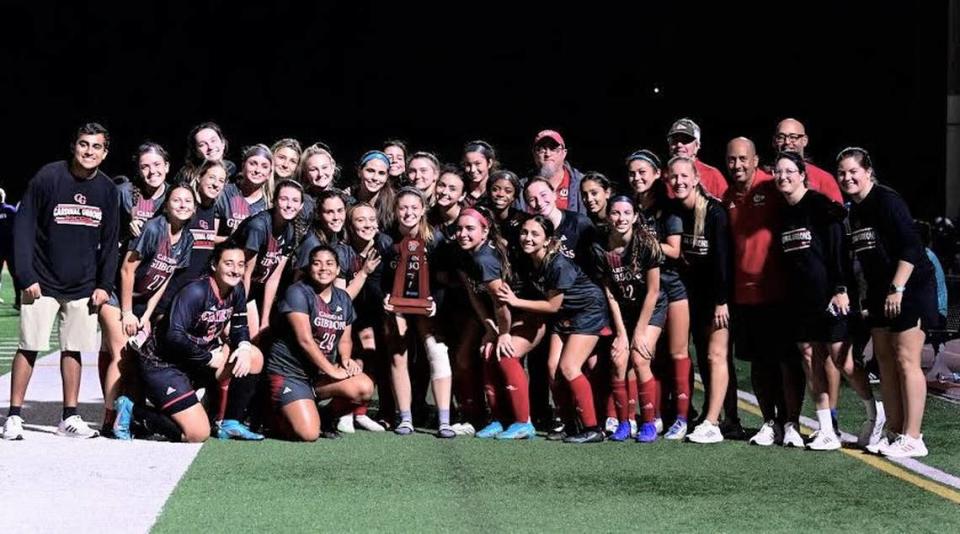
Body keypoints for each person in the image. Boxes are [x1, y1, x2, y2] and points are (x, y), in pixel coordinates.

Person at [3, 123, 119, 440]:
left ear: (105, 152)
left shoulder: (108, 190)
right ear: (74, 146)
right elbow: (23, 227)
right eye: (84, 144)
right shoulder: (48, 177)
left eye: (96, 147)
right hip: (42, 281)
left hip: (83, 285)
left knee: (74, 349)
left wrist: (103, 285)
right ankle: (14, 416)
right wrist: (25, 274)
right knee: (29, 346)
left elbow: (110, 242)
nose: (89, 151)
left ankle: (69, 416)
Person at [111, 242, 265, 442]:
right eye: (228, 263)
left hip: (194, 360)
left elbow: (239, 326)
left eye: (240, 265)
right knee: (196, 434)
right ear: (214, 265)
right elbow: (173, 336)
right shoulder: (195, 291)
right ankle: (135, 410)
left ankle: (230, 422)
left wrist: (243, 346)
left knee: (253, 355)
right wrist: (209, 358)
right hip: (164, 363)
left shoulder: (237, 290)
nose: (235, 270)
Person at [840, 147, 938, 458]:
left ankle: (914, 436)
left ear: (867, 170)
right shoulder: (854, 211)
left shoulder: (886, 200)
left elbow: (910, 247)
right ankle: (895, 431)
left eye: (853, 171)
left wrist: (898, 288)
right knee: (884, 361)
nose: (847, 177)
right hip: (881, 293)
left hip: (911, 287)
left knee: (906, 359)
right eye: (842, 173)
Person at [498, 216, 610, 443]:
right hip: (565, 314)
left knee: (569, 367)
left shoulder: (558, 264)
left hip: (587, 310)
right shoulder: (529, 259)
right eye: (524, 232)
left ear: (547, 240)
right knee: (552, 368)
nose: (527, 238)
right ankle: (569, 424)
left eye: (535, 234)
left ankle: (593, 428)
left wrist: (515, 301)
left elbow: (552, 305)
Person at [722, 138, 803, 447]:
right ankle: (769, 421)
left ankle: (792, 422)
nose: (738, 165)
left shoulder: (773, 187)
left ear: (756, 160)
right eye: (732, 160)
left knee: (786, 360)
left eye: (744, 159)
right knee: (759, 361)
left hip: (779, 292)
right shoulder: (727, 196)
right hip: (744, 295)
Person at [98, 184, 196, 437]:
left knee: (135, 357)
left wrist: (146, 315)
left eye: (188, 201)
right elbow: (126, 270)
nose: (183, 205)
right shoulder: (153, 228)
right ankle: (109, 419)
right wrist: (128, 312)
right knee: (121, 354)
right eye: (177, 200)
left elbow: (165, 279)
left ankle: (129, 414)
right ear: (166, 205)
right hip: (117, 295)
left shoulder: (187, 238)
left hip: (142, 302)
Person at [266, 245, 375, 440]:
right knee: (308, 434)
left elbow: (345, 339)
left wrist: (346, 360)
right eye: (317, 263)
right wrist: (332, 371)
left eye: (329, 264)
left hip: (317, 376)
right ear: (309, 268)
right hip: (290, 372)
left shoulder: (343, 298)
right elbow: (305, 340)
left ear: (338, 270)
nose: (323, 268)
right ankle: (270, 417)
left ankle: (325, 417)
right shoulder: (297, 292)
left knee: (364, 387)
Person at [591, 196, 675, 442]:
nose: (621, 218)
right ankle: (624, 422)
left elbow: (653, 291)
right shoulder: (601, 247)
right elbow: (610, 291)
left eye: (627, 213)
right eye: (616, 213)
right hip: (623, 310)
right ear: (609, 216)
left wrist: (638, 332)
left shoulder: (646, 244)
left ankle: (648, 423)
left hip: (651, 307)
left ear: (635, 217)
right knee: (618, 360)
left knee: (639, 358)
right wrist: (620, 332)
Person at [456, 207, 543, 439]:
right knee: (487, 353)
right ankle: (500, 419)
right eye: (459, 228)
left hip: (527, 316)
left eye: (470, 229)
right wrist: (489, 329)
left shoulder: (485, 259)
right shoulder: (464, 255)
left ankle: (524, 422)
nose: (463, 233)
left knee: (506, 353)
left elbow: (501, 304)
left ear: (484, 232)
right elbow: (475, 297)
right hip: (501, 319)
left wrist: (502, 334)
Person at [668, 155, 732, 442]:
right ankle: (713, 415)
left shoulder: (715, 213)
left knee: (716, 355)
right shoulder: (675, 212)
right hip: (692, 296)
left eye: (685, 176)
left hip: (718, 297)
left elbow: (723, 260)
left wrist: (722, 300)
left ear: (696, 179)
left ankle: (713, 423)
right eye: (674, 177)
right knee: (701, 358)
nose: (679, 182)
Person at [381, 188, 455, 437]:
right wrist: (386, 298)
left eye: (414, 207)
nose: (408, 212)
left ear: (423, 209)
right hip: (398, 306)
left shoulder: (436, 240)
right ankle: (405, 418)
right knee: (397, 350)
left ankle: (444, 419)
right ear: (395, 210)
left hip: (426, 306)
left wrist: (437, 304)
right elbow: (379, 277)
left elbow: (444, 279)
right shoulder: (386, 240)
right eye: (403, 208)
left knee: (437, 350)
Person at [231, 179, 304, 340]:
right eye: (284, 199)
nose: (289, 205)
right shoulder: (258, 226)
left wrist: (265, 320)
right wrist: (240, 315)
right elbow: (244, 274)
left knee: (259, 336)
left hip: (255, 287)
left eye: (295, 200)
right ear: (274, 200)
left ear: (301, 206)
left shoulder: (290, 230)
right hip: (233, 285)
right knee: (242, 337)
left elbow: (273, 277)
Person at [772, 118, 843, 203]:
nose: (787, 142)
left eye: (793, 137)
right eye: (781, 137)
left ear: (804, 141)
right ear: (774, 142)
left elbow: (838, 214)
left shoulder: (824, 179)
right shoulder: (766, 180)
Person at [116, 142, 170, 243]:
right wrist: (127, 229)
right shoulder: (124, 192)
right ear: (138, 171)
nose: (152, 171)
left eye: (157, 164)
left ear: (166, 166)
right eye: (145, 167)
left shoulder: (174, 195)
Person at [216, 144, 274, 235]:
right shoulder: (224, 193)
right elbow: (209, 238)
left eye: (264, 166)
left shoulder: (270, 203)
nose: (258, 170)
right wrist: (235, 241)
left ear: (269, 174)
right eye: (253, 164)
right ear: (243, 166)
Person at [526, 130, 587, 214]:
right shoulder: (523, 186)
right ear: (534, 154)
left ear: (564, 153)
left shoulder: (582, 183)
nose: (548, 154)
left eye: (553, 148)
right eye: (541, 149)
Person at [666, 118, 728, 198]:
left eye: (685, 140)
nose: (679, 145)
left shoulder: (713, 175)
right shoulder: (661, 177)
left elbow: (727, 207)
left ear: (697, 145)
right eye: (674, 140)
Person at [352, 151, 396, 231]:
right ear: (359, 172)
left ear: (387, 177)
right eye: (370, 171)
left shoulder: (394, 204)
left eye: (381, 173)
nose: (375, 178)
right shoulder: (347, 200)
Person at [297, 143, 339, 222]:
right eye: (313, 169)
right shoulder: (301, 203)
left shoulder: (344, 199)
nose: (320, 174)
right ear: (305, 173)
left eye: (324, 167)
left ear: (332, 168)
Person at [462, 140, 498, 207]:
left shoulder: (496, 192)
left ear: (489, 163)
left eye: (477, 163)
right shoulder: (461, 191)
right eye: (468, 165)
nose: (472, 170)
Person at [0, 188, 18, 307]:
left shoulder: (10, 210)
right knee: (15, 275)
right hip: (11, 248)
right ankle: (19, 301)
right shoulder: (11, 210)